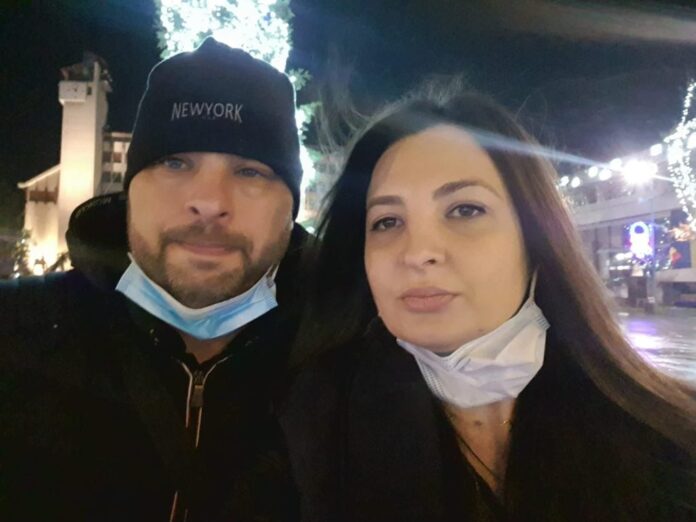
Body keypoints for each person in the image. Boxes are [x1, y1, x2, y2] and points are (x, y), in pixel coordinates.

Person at [281, 83, 696, 521]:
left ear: (536, 238)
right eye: (386, 221)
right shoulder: (308, 440)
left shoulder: (672, 443)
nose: (418, 251)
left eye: (465, 210)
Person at [0, 38, 306, 522]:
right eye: (175, 162)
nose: (209, 202)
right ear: (130, 192)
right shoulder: (17, 336)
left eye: (250, 171)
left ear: (291, 211)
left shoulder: (349, 371)